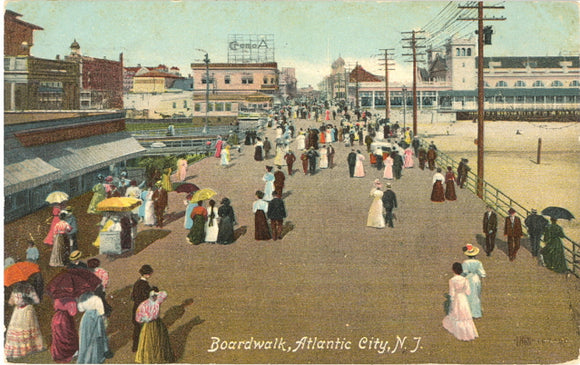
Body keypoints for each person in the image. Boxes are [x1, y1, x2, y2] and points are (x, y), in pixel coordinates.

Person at [4, 282, 44, 359]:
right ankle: (28, 349)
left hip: (18, 311)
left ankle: (20, 351)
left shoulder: (15, 289)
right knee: (27, 330)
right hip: (27, 310)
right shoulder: (30, 288)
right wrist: (28, 300)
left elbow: (10, 302)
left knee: (19, 330)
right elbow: (37, 301)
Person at [135, 288, 175, 364]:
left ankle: (159, 358)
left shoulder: (157, 301)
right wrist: (145, 319)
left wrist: (156, 293)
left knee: (159, 340)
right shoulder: (144, 304)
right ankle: (149, 359)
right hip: (148, 325)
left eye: (155, 295)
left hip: (157, 323)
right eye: (152, 295)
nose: (154, 297)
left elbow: (164, 294)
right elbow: (138, 317)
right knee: (148, 341)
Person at [442, 262, 479, 341]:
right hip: (463, 298)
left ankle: (459, 331)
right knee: (465, 314)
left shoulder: (452, 280)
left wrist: (452, 301)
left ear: (453, 270)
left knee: (457, 314)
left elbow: (451, 293)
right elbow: (468, 292)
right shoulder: (465, 280)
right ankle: (468, 332)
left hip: (457, 298)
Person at [77, 292, 112, 363]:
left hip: (86, 319)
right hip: (96, 318)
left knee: (86, 338)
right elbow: (101, 312)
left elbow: (81, 310)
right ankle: (96, 356)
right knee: (96, 337)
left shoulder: (82, 298)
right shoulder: (97, 298)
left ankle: (86, 356)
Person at [131, 264, 153, 352]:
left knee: (137, 328)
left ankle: (135, 346)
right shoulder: (145, 285)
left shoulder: (137, 283)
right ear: (147, 274)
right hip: (143, 309)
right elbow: (147, 298)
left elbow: (133, 296)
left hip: (136, 308)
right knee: (143, 328)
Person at [50, 297, 78, 363]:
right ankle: (69, 353)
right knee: (67, 335)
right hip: (64, 319)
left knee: (61, 335)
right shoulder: (68, 297)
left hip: (57, 318)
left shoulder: (57, 297)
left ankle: (60, 354)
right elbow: (73, 312)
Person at [462, 244, 486, 319]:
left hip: (468, 279)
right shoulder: (478, 262)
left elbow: (464, 272)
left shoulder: (465, 262)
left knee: (468, 295)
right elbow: (482, 273)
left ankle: (468, 312)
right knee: (476, 295)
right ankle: (476, 313)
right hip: (476, 279)